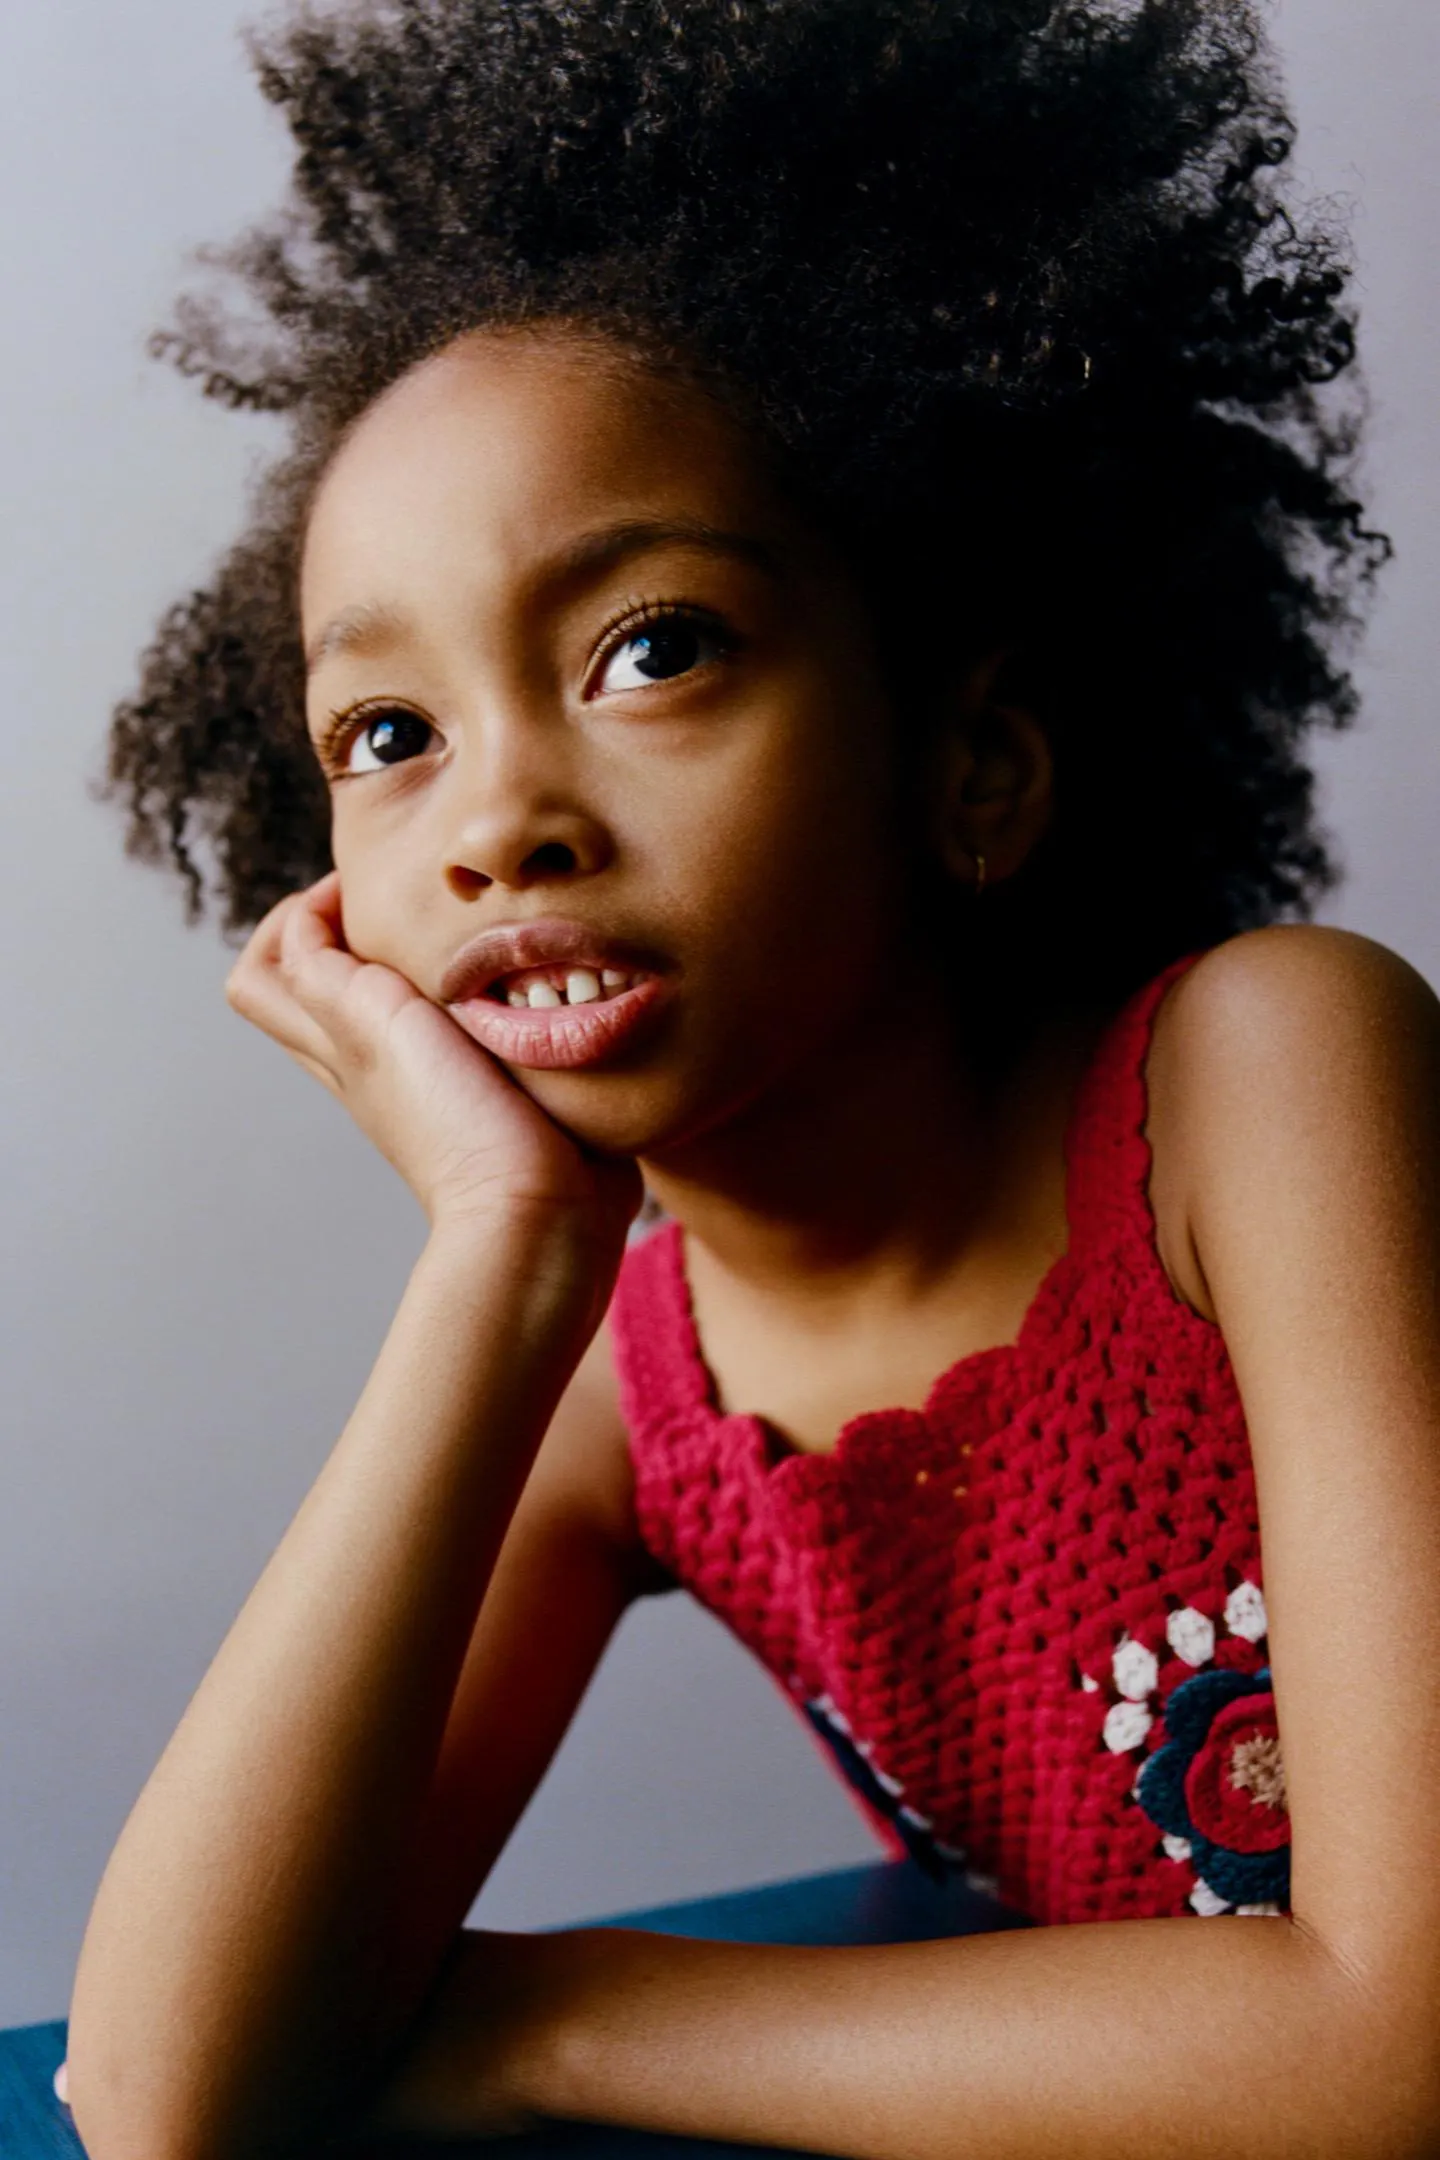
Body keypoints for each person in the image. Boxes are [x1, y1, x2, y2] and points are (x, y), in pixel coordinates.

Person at [58, 0, 1440, 2154]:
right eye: (388, 736)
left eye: (650, 649)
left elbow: (1404, 2042)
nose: (496, 817)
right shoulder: (625, 1378)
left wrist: (562, 2017)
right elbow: (165, 2097)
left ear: (966, 760)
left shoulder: (1263, 1082)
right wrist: (503, 1252)